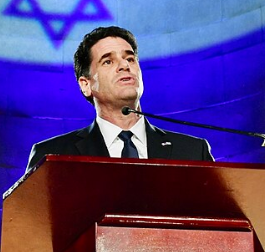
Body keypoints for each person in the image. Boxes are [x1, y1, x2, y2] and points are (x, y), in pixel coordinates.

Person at [26, 26, 214, 172]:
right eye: (108, 61)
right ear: (86, 85)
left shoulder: (193, 152)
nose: (124, 65)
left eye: (130, 59)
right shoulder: (53, 156)